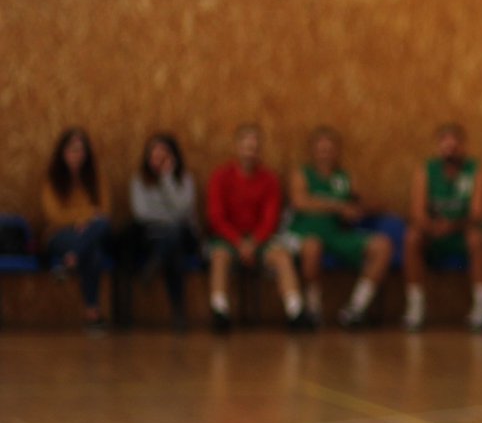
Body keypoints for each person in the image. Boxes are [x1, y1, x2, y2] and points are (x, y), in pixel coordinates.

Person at [206, 123, 309, 332]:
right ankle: (219, 311)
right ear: (236, 147)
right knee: (219, 256)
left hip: (260, 239)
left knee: (282, 257)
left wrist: (253, 243)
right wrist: (238, 242)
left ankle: (295, 311)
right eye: (246, 146)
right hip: (229, 238)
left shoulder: (269, 179)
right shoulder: (221, 176)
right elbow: (216, 218)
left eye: (254, 147)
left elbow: (270, 220)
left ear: (260, 150)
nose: (249, 152)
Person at [286, 127, 391, 328]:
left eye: (329, 148)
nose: (325, 153)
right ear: (313, 151)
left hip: (336, 233)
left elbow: (367, 203)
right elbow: (300, 202)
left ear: (337, 151)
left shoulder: (345, 177)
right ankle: (313, 309)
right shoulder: (302, 174)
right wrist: (337, 206)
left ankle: (355, 309)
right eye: (321, 148)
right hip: (306, 233)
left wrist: (358, 209)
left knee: (382, 246)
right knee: (312, 246)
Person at [403, 123, 482, 331]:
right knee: (412, 237)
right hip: (433, 232)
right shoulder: (426, 170)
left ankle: (481, 307)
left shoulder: (477, 170)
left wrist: (452, 225)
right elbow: (417, 212)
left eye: (455, 143)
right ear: (439, 147)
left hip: (461, 231)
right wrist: (432, 226)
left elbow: (478, 213)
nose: (450, 148)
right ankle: (416, 306)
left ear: (463, 146)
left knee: (477, 239)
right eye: (445, 143)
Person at [125, 132, 200, 330]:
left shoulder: (184, 179)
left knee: (174, 235)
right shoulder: (139, 180)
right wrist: (170, 219)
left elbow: (183, 211)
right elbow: (141, 213)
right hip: (152, 235)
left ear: (173, 157)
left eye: (163, 154)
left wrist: (167, 178)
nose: (158, 158)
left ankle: (155, 263)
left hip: (183, 235)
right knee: (171, 245)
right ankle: (178, 311)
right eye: (154, 154)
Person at [40, 126, 112, 331]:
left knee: (99, 235)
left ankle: (70, 259)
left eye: (81, 150)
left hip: (92, 232)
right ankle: (93, 313)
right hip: (59, 235)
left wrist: (88, 222)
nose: (77, 154)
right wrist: (83, 218)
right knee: (92, 248)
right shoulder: (52, 179)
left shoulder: (97, 177)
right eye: (72, 149)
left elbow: (105, 212)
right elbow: (54, 215)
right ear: (62, 152)